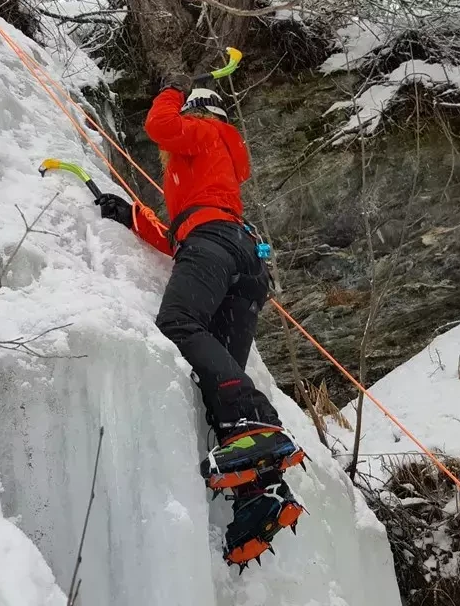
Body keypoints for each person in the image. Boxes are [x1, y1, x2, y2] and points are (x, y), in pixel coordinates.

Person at [91, 73, 305, 569]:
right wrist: (130, 216)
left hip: (215, 243)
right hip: (243, 259)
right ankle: (261, 497)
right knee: (218, 374)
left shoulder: (204, 133)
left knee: (180, 322)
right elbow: (181, 235)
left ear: (197, 114)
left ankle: (258, 417)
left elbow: (158, 124)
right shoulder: (214, 169)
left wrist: (171, 89)